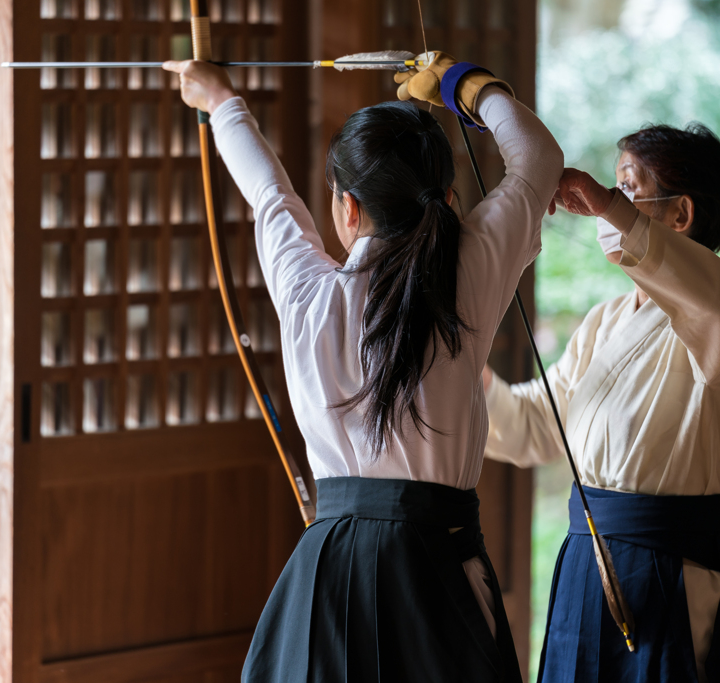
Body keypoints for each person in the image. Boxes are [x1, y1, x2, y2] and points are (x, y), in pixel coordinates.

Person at [163, 51, 563, 683]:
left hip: (330, 575)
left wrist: (220, 100)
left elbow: (270, 195)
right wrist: (467, 84)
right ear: (449, 198)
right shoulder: (470, 271)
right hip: (439, 567)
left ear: (347, 209)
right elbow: (538, 158)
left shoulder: (307, 295)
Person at [482, 124, 720, 682]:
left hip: (676, 570)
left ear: (680, 216)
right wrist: (461, 369)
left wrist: (610, 207)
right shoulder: (605, 320)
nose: (608, 209)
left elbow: (704, 291)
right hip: (590, 561)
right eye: (616, 187)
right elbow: (539, 424)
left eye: (630, 188)